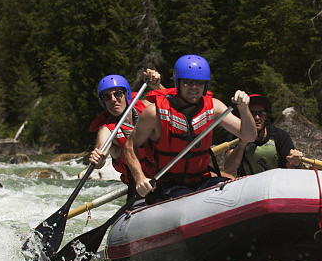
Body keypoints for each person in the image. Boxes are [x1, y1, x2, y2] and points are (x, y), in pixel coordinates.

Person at [125, 54, 257, 199]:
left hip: (201, 180)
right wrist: (139, 178)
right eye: (188, 82)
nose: (194, 87)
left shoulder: (215, 107)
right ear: (178, 83)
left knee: (233, 189)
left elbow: (249, 136)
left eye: (200, 83)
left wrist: (244, 109)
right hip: (166, 184)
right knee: (186, 195)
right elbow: (130, 146)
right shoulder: (154, 113)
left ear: (206, 85)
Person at [88, 69, 163, 193]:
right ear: (103, 102)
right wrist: (98, 160)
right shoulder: (107, 130)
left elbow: (174, 106)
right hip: (140, 189)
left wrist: (157, 86)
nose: (113, 99)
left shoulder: (147, 107)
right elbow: (101, 152)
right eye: (107, 97)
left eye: (117, 94)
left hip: (166, 179)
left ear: (126, 94)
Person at [223, 93, 303, 176]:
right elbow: (228, 168)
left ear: (266, 116)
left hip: (274, 184)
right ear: (245, 116)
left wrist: (296, 162)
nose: (257, 117)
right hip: (247, 185)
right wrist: (242, 143)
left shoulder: (280, 136)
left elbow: (290, 167)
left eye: (261, 113)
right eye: (252, 114)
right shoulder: (235, 135)